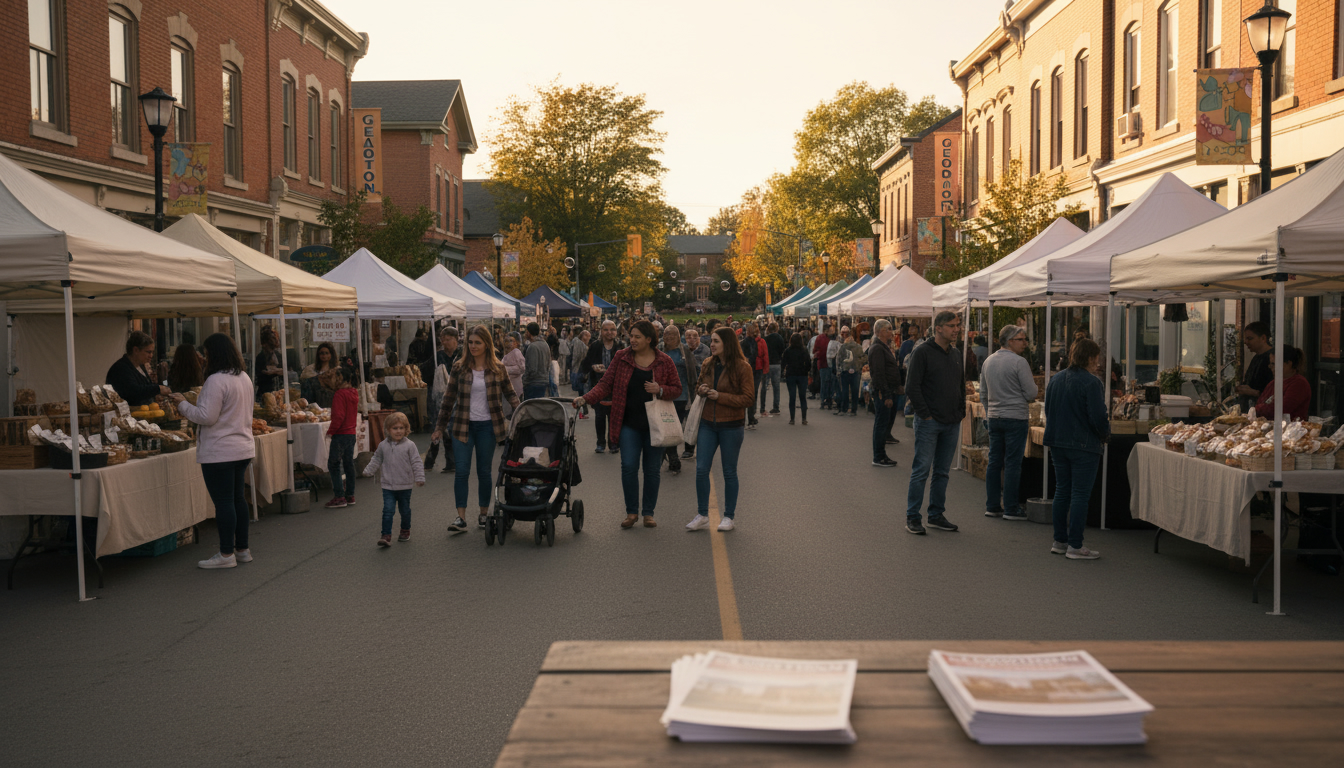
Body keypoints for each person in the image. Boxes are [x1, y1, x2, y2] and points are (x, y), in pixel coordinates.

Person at [574, 320, 681, 529]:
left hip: (655, 425)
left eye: (637, 337)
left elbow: (676, 388)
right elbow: (605, 384)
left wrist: (660, 389)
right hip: (628, 424)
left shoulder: (664, 361)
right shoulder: (621, 357)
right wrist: (585, 399)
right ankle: (631, 512)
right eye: (631, 336)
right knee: (629, 467)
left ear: (649, 339)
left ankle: (648, 513)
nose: (632, 340)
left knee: (652, 471)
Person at [171, 333, 256, 569]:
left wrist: (182, 404)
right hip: (242, 447)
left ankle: (226, 554)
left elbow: (206, 417)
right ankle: (242, 549)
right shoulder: (244, 378)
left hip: (220, 450)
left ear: (214, 354)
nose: (204, 359)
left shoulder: (216, 380)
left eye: (206, 354)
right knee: (238, 499)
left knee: (225, 502)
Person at [433, 326, 520, 533]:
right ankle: (460, 518)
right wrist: (439, 427)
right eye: (470, 342)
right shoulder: (459, 367)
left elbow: (511, 395)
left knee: (483, 471)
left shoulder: (498, 368)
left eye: (477, 343)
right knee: (461, 471)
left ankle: (483, 514)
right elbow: (448, 399)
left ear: (486, 344)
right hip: (462, 425)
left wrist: (526, 414)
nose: (472, 346)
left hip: (488, 426)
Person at [1043, 338, 1109, 560]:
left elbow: (1048, 410)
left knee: (1062, 490)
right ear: (1091, 357)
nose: (1098, 362)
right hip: (1083, 444)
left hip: (1057, 441)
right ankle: (1075, 545)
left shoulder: (1056, 379)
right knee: (1080, 494)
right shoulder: (1092, 382)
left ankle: (1059, 540)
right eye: (1096, 358)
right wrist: (1105, 435)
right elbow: (1098, 416)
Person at [685, 327, 755, 532]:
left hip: (731, 426)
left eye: (716, 341)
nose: (711, 345)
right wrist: (702, 390)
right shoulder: (708, 363)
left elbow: (749, 398)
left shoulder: (743, 367)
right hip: (707, 423)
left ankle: (729, 516)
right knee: (700, 469)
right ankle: (702, 514)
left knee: (729, 471)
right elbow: (697, 385)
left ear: (728, 343)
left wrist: (720, 396)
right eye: (712, 341)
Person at [904, 310, 965, 535]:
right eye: (951, 325)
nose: (956, 329)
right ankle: (913, 516)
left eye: (957, 325)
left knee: (942, 472)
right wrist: (926, 414)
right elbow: (912, 386)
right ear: (938, 328)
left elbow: (960, 383)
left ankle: (936, 514)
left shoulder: (956, 353)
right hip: (930, 422)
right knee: (921, 470)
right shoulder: (922, 352)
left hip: (951, 421)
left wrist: (960, 410)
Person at [981, 325, 1038, 521]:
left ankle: (993, 505)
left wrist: (990, 413)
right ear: (1010, 341)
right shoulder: (1019, 362)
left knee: (995, 462)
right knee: (1013, 463)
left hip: (995, 417)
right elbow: (1031, 393)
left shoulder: (989, 361)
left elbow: (983, 394)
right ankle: (1011, 507)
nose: (1025, 343)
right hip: (1015, 417)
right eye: (1021, 339)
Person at [363, 411, 425, 547]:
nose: (398, 431)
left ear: (406, 429)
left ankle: (405, 530)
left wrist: (419, 477)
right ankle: (386, 535)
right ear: (388, 430)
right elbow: (376, 459)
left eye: (401, 428)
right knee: (388, 510)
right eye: (395, 428)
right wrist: (369, 470)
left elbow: (416, 462)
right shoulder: (383, 445)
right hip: (388, 486)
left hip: (405, 485)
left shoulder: (410, 445)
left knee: (404, 510)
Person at [581, 320, 625, 453]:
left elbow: (627, 365)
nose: (609, 332)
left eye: (612, 329)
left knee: (614, 417)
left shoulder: (620, 346)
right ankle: (600, 443)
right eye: (606, 330)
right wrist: (593, 367)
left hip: (616, 388)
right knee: (600, 416)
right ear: (601, 331)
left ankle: (613, 443)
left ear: (616, 332)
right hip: (598, 387)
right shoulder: (595, 346)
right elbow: (585, 364)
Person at [661, 325, 700, 474]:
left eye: (672, 334)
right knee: (668, 428)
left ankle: (673, 454)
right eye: (666, 334)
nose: (669, 337)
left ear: (678, 336)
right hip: (664, 395)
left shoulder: (685, 351)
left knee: (677, 427)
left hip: (682, 396)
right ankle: (672, 457)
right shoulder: (659, 349)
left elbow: (694, 369)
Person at [322, 368, 359, 508]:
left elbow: (338, 416)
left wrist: (331, 431)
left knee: (334, 464)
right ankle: (350, 495)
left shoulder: (339, 394)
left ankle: (339, 496)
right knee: (349, 464)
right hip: (351, 433)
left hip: (341, 434)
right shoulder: (354, 393)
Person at [867, 320, 903, 467]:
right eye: (888, 329)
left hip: (890, 390)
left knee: (884, 424)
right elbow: (879, 374)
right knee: (881, 424)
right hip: (883, 393)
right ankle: (879, 456)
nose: (891, 332)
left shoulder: (883, 347)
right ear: (880, 331)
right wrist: (886, 394)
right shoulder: (877, 348)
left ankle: (881, 454)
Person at [106, 331, 170, 406]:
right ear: (136, 350)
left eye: (152, 352)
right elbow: (133, 391)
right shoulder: (120, 369)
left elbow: (144, 388)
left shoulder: (141, 366)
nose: (151, 356)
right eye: (148, 352)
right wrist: (157, 389)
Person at [1256, 345, 1311, 421]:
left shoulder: (1299, 384)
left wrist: (1259, 409)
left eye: (1274, 364)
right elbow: (1260, 402)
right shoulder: (1273, 383)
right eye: (1270, 364)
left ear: (1288, 363)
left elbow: (1281, 409)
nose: (1270, 367)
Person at [1235, 321, 1274, 413]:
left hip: (1264, 412)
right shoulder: (1256, 357)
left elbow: (1274, 391)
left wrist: (1253, 392)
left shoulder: (1272, 359)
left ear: (1263, 338)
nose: (1245, 342)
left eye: (1250, 338)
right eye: (1245, 339)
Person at [781, 332, 811, 425]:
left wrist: (783, 373)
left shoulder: (788, 350)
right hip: (802, 375)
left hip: (791, 375)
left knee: (792, 397)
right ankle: (804, 418)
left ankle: (792, 419)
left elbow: (783, 363)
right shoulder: (804, 350)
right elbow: (809, 363)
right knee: (803, 397)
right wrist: (806, 371)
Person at [834, 327, 866, 416]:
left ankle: (844, 409)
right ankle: (853, 410)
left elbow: (839, 359)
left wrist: (839, 369)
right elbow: (864, 358)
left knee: (845, 390)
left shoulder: (843, 347)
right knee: (855, 391)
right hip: (856, 371)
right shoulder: (859, 347)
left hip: (845, 370)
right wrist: (858, 365)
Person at [742, 322, 768, 429]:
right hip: (756, 369)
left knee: (744, 393)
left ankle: (744, 419)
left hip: (746, 369)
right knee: (753, 393)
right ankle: (751, 418)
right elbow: (757, 355)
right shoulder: (757, 342)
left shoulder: (743, 342)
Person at [522, 322, 552, 401]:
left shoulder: (532, 347)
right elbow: (549, 363)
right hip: (543, 381)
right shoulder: (545, 344)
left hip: (534, 383)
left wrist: (525, 380)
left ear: (528, 332)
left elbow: (532, 368)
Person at [761, 322, 785, 415]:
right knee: (776, 387)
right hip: (776, 364)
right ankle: (776, 407)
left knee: (764, 386)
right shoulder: (780, 338)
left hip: (767, 364)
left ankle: (762, 407)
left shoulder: (765, 339)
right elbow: (782, 350)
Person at [253, 328, 286, 397]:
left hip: (278, 392)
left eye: (273, 348)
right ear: (264, 344)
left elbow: (284, 372)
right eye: (270, 347)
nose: (271, 351)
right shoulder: (260, 358)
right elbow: (259, 377)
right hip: (265, 393)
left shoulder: (278, 356)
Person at [814, 324, 834, 409]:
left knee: (831, 383)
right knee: (824, 383)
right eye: (831, 330)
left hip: (832, 364)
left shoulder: (834, 338)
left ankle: (829, 400)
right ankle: (823, 400)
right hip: (823, 363)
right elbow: (815, 350)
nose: (833, 331)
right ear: (826, 330)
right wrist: (820, 355)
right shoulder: (820, 338)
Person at [501, 332, 526, 399]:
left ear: (517, 343)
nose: (508, 344)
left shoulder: (516, 352)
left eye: (511, 341)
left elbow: (522, 368)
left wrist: (506, 369)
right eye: (506, 341)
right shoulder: (506, 355)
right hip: (508, 387)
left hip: (516, 387)